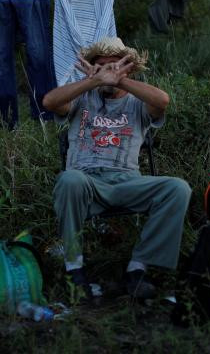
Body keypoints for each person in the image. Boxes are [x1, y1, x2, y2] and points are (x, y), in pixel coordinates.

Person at [42, 37, 191, 300]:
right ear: (92, 68)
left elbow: (163, 101)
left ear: (128, 68)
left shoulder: (137, 102)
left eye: (116, 65)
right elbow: (49, 102)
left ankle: (138, 268)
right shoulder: (81, 98)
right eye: (101, 66)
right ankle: (74, 270)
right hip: (86, 182)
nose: (108, 71)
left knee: (178, 188)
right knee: (69, 179)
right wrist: (94, 81)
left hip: (126, 183)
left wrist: (119, 80)